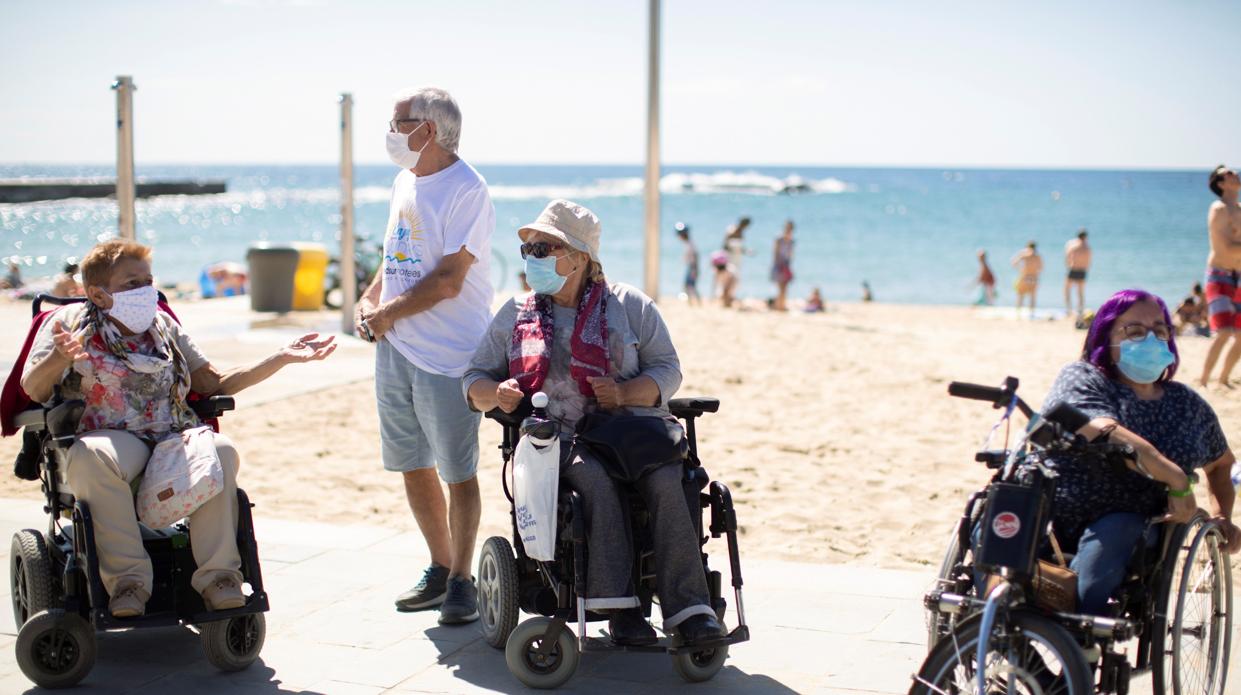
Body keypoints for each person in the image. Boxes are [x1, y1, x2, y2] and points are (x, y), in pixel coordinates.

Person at [18, 240, 335, 617]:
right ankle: (128, 583)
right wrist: (59, 357)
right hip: (113, 439)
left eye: (148, 280)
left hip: (170, 435)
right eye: (131, 283)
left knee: (221, 450)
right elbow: (33, 389)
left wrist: (280, 358)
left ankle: (220, 579)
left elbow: (212, 383)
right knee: (91, 455)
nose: (145, 290)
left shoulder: (163, 326)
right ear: (98, 294)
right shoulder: (66, 325)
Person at [463, 199, 726, 646]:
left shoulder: (629, 306)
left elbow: (668, 370)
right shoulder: (515, 312)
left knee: (671, 480)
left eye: (544, 248)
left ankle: (691, 611)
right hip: (557, 439)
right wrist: (498, 394)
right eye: (529, 249)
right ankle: (619, 608)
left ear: (580, 257)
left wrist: (625, 393)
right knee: (595, 481)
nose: (532, 257)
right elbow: (473, 379)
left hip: (629, 432)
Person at [354, 86, 494, 624]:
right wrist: (372, 299)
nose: (390, 132)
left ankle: (463, 578)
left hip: (449, 356)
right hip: (395, 350)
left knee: (458, 471)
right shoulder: (404, 179)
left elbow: (449, 280)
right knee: (412, 465)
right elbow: (397, 255)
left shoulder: (468, 189)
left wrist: (387, 315)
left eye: (398, 122)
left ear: (427, 129)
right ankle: (439, 567)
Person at [1040, 289, 1239, 615]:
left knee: (1104, 555)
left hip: (1126, 523)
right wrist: (1175, 477)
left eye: (1160, 331)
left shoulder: (1186, 405)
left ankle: (1074, 646)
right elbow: (1100, 428)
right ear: (1106, 337)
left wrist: (1222, 518)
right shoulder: (1083, 377)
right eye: (1134, 332)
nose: (1150, 339)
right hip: (1052, 508)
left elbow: (1220, 464)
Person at [1199, 166, 1241, 387]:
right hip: (1219, 275)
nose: (1234, 174)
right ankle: (1204, 380)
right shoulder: (1219, 209)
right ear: (1221, 183)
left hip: (1239, 275)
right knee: (1223, 332)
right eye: (1228, 174)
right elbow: (1223, 248)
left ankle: (1223, 379)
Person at [721, 217, 751, 307]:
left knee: (734, 281)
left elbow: (739, 248)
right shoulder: (731, 230)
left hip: (737, 259)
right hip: (729, 258)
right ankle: (725, 300)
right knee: (729, 279)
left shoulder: (741, 233)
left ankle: (728, 299)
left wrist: (746, 251)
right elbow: (725, 246)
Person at [1064, 228, 1092, 318]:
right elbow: (1089, 262)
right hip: (1082, 271)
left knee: (1067, 290)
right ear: (1086, 237)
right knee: (1080, 292)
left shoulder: (1073, 245)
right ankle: (1080, 310)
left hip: (1073, 269)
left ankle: (1069, 309)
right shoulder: (1087, 247)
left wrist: (1069, 265)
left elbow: (1068, 257)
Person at [1010, 241, 1043, 316]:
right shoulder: (1037, 256)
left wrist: (1020, 269)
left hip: (1025, 276)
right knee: (1032, 296)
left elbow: (1013, 262)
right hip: (1034, 277)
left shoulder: (1024, 254)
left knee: (1020, 295)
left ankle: (1018, 312)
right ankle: (1031, 313)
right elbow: (1041, 268)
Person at [770, 220, 795, 311]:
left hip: (786, 265)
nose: (788, 231)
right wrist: (779, 265)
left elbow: (791, 255)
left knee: (785, 287)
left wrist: (787, 266)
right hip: (779, 265)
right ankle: (779, 306)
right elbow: (775, 254)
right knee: (780, 287)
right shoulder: (779, 239)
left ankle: (782, 305)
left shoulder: (791, 241)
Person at [675, 222, 700, 306]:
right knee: (689, 286)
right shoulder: (688, 243)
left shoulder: (690, 244)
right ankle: (692, 303)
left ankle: (695, 303)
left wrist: (694, 269)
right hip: (691, 267)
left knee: (690, 286)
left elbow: (695, 257)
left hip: (692, 267)